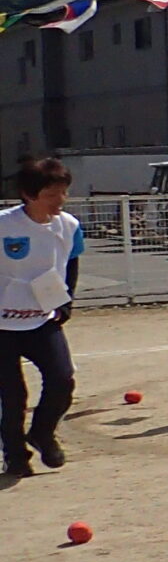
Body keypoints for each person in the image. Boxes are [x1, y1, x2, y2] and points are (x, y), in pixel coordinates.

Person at [0, 157, 80, 474]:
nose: (59, 200)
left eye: (63, 192)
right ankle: (16, 456)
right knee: (12, 394)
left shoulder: (68, 226)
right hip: (1, 325)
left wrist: (66, 303)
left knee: (62, 379)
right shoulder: (4, 224)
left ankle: (43, 432)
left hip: (42, 320)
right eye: (50, 194)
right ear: (28, 194)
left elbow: (71, 263)